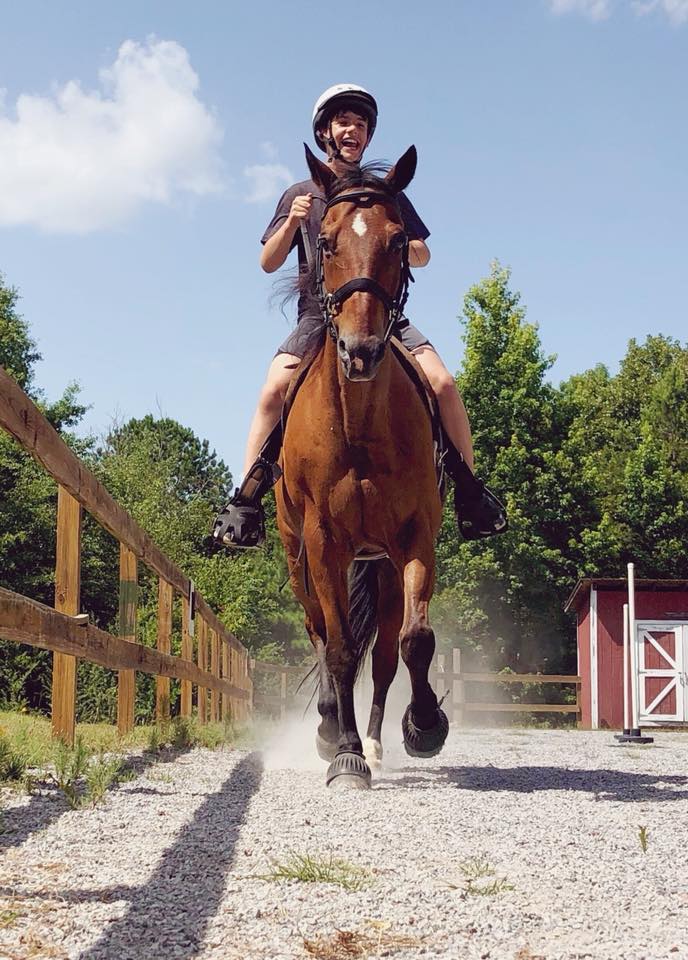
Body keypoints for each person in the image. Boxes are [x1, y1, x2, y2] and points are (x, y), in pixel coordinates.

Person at [213, 84, 506, 548]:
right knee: (272, 390)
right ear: (326, 131)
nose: (354, 130)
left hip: (386, 317)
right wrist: (292, 221)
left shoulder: (385, 191)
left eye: (362, 124)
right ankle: (245, 502)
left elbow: (423, 255)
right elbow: (268, 262)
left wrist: (404, 243)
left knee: (444, 384)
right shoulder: (301, 193)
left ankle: (471, 494)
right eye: (344, 121)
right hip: (318, 319)